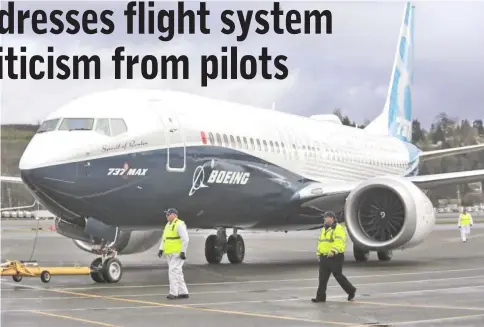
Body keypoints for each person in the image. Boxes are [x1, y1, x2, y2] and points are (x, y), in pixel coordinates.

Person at [312, 211, 356, 303]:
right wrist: (319, 254)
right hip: (324, 257)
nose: (326, 219)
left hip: (335, 257)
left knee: (338, 276)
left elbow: (339, 242)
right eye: (325, 217)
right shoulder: (324, 229)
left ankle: (351, 290)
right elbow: (321, 243)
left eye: (327, 217)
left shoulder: (338, 228)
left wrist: (333, 251)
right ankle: (320, 297)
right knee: (322, 278)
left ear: (332, 218)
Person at [158, 208, 190, 299]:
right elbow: (165, 238)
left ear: (174, 215)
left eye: (169, 214)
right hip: (169, 252)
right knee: (178, 272)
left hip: (177, 253)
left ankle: (173, 293)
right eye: (166, 214)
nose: (167, 215)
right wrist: (161, 249)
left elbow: (185, 239)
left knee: (173, 271)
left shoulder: (179, 224)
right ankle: (183, 291)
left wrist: (183, 251)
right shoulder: (168, 224)